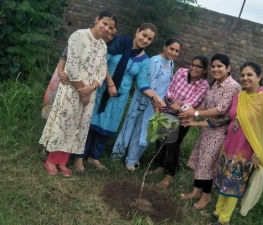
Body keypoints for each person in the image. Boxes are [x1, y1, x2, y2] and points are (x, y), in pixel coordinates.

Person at [74, 23, 166, 171]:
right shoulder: (119, 42)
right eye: (144, 35)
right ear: (137, 31)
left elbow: (142, 82)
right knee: (89, 123)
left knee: (105, 128)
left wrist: (155, 97)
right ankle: (79, 156)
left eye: (149, 39)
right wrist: (110, 83)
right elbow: (101, 61)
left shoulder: (144, 60)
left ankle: (93, 157)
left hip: (118, 98)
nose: (145, 40)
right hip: (100, 89)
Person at [39, 11, 117, 177]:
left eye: (110, 27)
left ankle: (63, 161)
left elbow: (102, 70)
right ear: (96, 19)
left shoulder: (103, 45)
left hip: (89, 92)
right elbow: (72, 66)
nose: (106, 28)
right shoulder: (79, 36)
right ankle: (52, 159)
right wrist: (83, 91)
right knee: (64, 123)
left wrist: (92, 87)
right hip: (71, 90)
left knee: (79, 126)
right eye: (104, 23)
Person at [207, 62, 263, 225]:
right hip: (229, 145)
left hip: (246, 151)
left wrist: (257, 153)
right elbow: (231, 118)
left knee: (234, 183)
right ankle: (218, 211)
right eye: (243, 75)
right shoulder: (239, 97)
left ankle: (224, 219)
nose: (245, 78)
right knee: (223, 179)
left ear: (259, 77)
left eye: (250, 75)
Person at [180, 53, 241, 209]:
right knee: (202, 160)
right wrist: (189, 112)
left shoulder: (232, 86)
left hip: (220, 132)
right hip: (207, 129)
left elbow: (220, 110)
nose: (215, 69)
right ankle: (195, 191)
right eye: (213, 66)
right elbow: (206, 106)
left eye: (219, 66)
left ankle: (205, 197)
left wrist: (194, 114)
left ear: (228, 68)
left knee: (209, 164)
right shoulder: (214, 85)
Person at [111, 37, 182, 171]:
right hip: (146, 101)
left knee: (150, 131)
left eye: (177, 51)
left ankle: (136, 156)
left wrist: (162, 103)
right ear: (164, 47)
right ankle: (129, 160)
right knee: (139, 129)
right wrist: (153, 100)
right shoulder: (154, 61)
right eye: (171, 49)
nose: (173, 53)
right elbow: (145, 82)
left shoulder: (171, 63)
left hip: (160, 104)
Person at [148, 55, 211, 188]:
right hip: (167, 110)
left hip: (183, 117)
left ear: (204, 70)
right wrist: (174, 102)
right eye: (192, 64)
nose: (193, 68)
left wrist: (179, 105)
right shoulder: (181, 72)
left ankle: (169, 174)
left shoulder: (204, 85)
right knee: (161, 139)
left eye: (198, 66)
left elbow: (193, 102)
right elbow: (170, 89)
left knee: (173, 144)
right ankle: (158, 166)